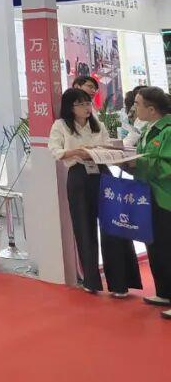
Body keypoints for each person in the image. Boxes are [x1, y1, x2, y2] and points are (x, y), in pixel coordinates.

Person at [49, 87, 141, 297]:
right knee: (84, 226)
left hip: (102, 173)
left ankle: (119, 283)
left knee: (113, 225)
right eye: (81, 104)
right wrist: (79, 152)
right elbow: (56, 151)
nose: (86, 108)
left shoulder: (97, 124)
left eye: (88, 103)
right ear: (70, 107)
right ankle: (91, 280)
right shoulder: (60, 126)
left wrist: (104, 152)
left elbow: (107, 146)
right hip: (79, 175)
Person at [128, 86, 171, 318]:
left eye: (137, 103)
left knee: (167, 245)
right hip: (147, 195)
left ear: (152, 109)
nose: (134, 107)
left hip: (165, 196)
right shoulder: (147, 129)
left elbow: (166, 166)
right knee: (154, 244)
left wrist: (139, 163)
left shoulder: (168, 131)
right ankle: (164, 291)